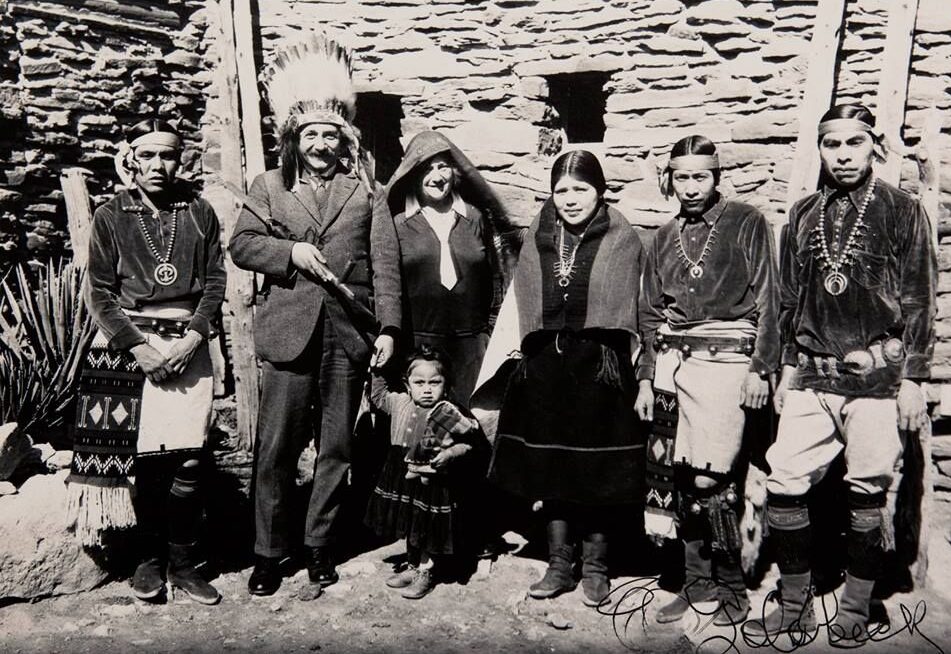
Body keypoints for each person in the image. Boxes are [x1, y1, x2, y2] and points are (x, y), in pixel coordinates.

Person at [742, 104, 936, 647]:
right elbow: (784, 302)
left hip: (877, 378)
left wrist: (915, 379)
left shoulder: (902, 209)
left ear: (872, 145)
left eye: (854, 143)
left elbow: (920, 299)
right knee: (784, 484)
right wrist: (781, 369)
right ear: (820, 149)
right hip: (811, 376)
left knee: (867, 491)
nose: (844, 154)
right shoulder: (803, 214)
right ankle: (796, 605)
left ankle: (856, 606)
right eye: (833, 145)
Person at [228, 32, 402, 599]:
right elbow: (242, 245)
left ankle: (321, 547)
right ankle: (268, 553)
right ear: (294, 140)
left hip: (347, 337)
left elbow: (385, 264)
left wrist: (390, 330)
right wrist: (289, 253)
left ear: (344, 139)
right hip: (288, 333)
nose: (321, 144)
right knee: (276, 448)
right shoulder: (270, 188)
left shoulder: (365, 192)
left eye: (331, 134)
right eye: (311, 135)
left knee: (336, 447)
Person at [67, 117, 226, 605]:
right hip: (127, 347)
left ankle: (182, 562)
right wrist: (138, 346)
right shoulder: (111, 214)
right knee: (141, 462)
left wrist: (195, 336)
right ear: (132, 158)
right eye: (149, 155)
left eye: (169, 155)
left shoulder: (199, 211)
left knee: (191, 457)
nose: (160, 164)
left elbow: (215, 280)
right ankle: (147, 560)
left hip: (188, 348)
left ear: (183, 159)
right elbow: (98, 291)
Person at [479, 150, 646, 607]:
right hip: (547, 367)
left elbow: (634, 308)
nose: (570, 199)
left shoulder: (622, 235)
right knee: (552, 469)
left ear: (600, 191)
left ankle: (595, 567)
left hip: (601, 369)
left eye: (581, 189)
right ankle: (558, 563)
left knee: (597, 472)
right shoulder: (538, 234)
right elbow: (521, 300)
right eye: (562, 190)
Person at [635, 135, 779, 627]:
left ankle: (731, 584)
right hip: (674, 363)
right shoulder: (661, 237)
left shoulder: (747, 223)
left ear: (717, 177)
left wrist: (761, 367)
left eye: (701, 176)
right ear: (669, 179)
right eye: (682, 177)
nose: (691, 187)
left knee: (711, 479)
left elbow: (770, 301)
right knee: (677, 478)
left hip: (727, 362)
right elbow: (650, 317)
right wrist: (646, 380)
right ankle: (694, 582)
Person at [384, 130, 517, 405]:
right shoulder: (398, 224)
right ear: (412, 173)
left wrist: (488, 334)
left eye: (442, 166)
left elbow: (495, 277)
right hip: (419, 347)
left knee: (473, 422)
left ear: (454, 172)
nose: (436, 177)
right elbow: (387, 282)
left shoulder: (474, 218)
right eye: (426, 169)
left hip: (472, 346)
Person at [364, 345, 486, 599]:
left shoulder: (448, 412)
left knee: (425, 525)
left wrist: (449, 454)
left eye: (435, 382)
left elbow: (469, 442)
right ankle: (412, 563)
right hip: (401, 470)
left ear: (446, 384)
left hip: (433, 479)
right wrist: (377, 368)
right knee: (409, 521)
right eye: (419, 382)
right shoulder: (399, 402)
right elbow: (377, 396)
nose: (427, 389)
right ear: (408, 385)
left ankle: (426, 570)